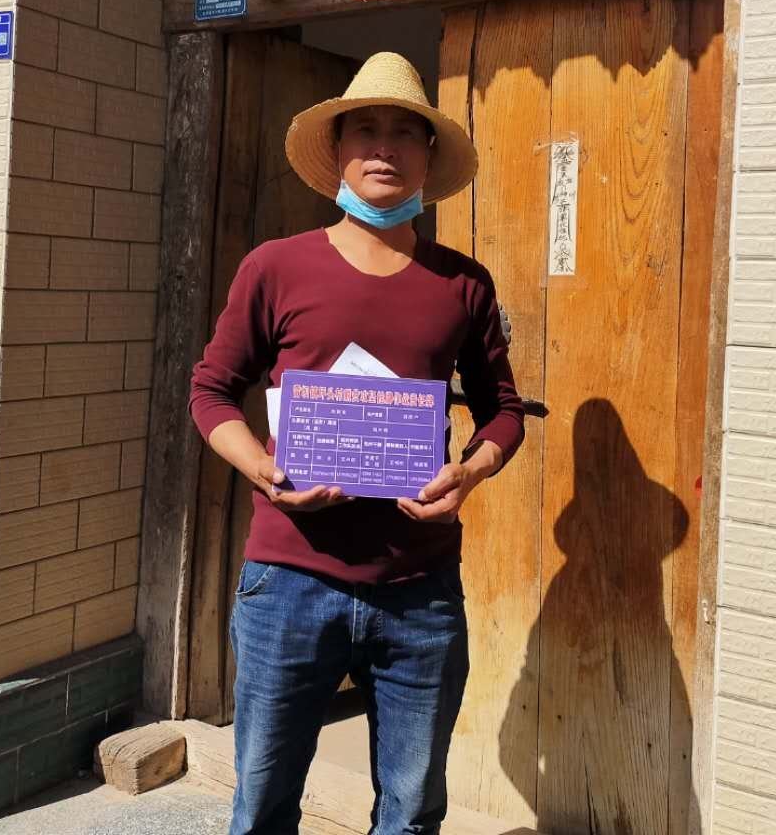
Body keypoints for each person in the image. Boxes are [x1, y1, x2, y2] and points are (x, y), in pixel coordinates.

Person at [189, 50, 526, 835]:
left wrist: (469, 474)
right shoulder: (275, 267)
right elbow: (211, 391)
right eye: (365, 130)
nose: (384, 148)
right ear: (337, 150)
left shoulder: (463, 283)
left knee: (410, 813)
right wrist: (264, 469)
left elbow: (503, 412)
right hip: (287, 581)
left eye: (405, 132)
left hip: (419, 590)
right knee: (262, 808)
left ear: (429, 157)